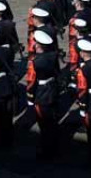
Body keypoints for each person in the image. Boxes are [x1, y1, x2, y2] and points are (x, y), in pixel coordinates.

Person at [25, 29, 60, 160]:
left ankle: (46, 150)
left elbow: (31, 81)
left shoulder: (35, 62)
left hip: (41, 93)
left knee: (44, 124)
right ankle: (54, 146)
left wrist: (30, 96)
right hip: (52, 88)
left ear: (38, 45)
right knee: (52, 120)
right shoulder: (53, 55)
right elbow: (57, 72)